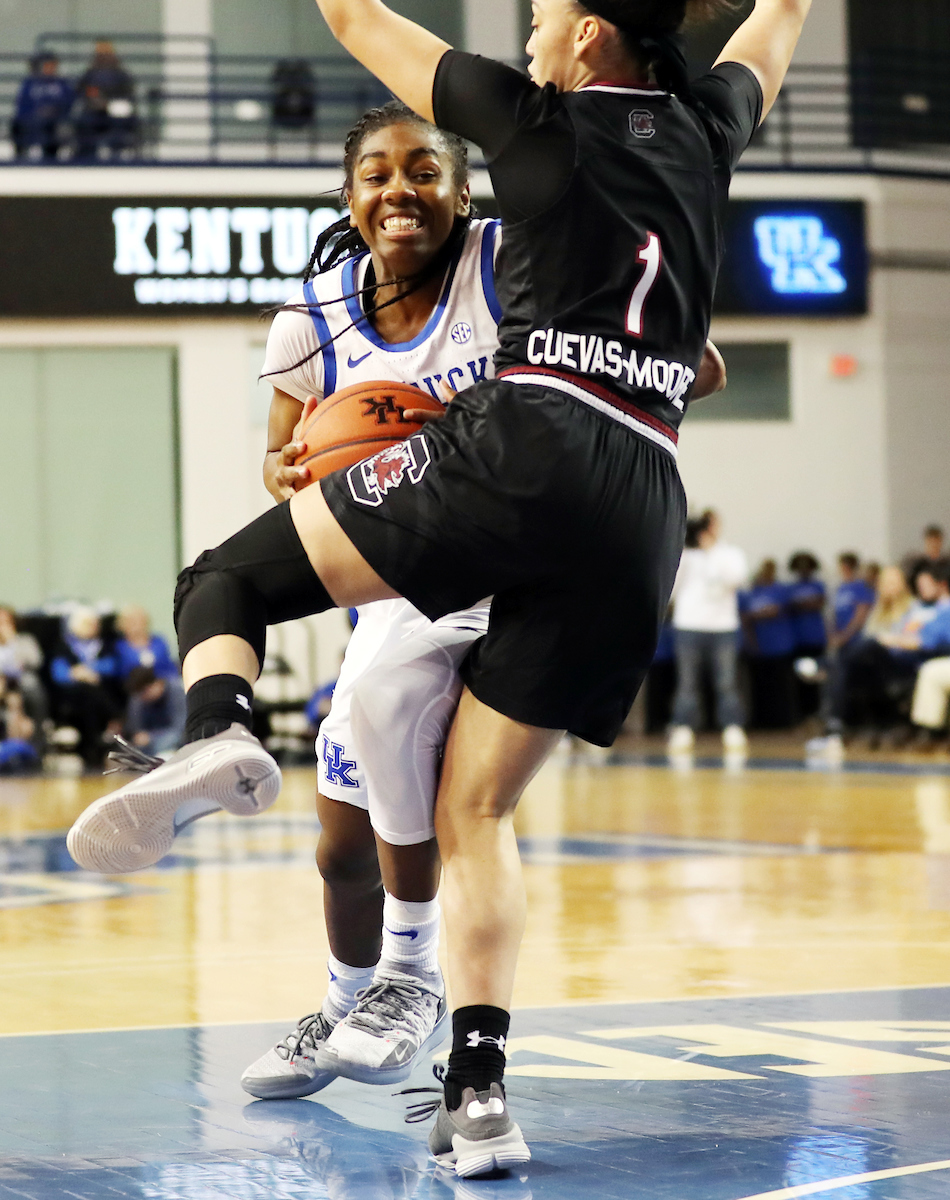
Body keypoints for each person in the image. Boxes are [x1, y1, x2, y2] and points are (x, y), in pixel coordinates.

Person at [68, 0, 810, 1175]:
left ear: (586, 40)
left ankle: (215, 732)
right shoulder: (710, 125)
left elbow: (355, 14)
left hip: (524, 445)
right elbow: (774, 23)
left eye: (540, 17)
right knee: (474, 815)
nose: (523, 32)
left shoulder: (533, 125)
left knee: (226, 582)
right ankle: (477, 1091)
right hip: (642, 495)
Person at [668, 509, 748, 753]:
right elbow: (671, 584)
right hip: (689, 624)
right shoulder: (685, 554)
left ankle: (732, 726)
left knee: (726, 681)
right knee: (687, 682)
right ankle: (683, 726)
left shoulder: (729, 553)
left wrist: (711, 550)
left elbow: (737, 578)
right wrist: (684, 547)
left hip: (722, 627)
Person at [50, 608, 122, 768]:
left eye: (95, 624)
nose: (94, 627)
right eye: (88, 624)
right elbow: (58, 674)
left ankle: (93, 744)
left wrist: (87, 670)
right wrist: (79, 675)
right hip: (72, 696)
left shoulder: (105, 644)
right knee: (86, 691)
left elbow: (112, 667)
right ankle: (114, 717)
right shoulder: (64, 646)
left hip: (102, 693)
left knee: (91, 695)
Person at [740, 558, 796, 729]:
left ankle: (783, 721)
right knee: (760, 687)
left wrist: (754, 615)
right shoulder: (753, 592)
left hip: (780, 646)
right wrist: (752, 642)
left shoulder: (781, 590)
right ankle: (761, 721)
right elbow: (745, 619)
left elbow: (775, 611)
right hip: (759, 647)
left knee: (781, 687)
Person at [74, 41, 136, 162]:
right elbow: (81, 90)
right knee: (85, 122)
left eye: (105, 52)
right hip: (94, 109)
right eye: (100, 52)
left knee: (119, 121)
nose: (103, 55)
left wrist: (109, 102)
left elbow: (127, 93)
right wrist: (94, 100)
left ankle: (116, 155)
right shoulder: (90, 73)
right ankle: (87, 157)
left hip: (115, 110)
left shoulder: (121, 74)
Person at [11, 52, 74, 161]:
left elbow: (68, 103)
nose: (50, 68)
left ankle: (51, 159)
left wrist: (54, 110)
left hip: (54, 120)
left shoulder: (61, 83)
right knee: (17, 125)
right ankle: (20, 156)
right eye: (47, 66)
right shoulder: (30, 83)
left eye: (53, 66)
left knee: (54, 129)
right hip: (33, 119)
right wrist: (36, 112)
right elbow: (22, 105)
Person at [123, 666, 186, 757]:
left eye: (145, 692)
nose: (143, 697)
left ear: (157, 683)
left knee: (170, 741)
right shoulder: (137, 700)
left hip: (173, 739)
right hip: (149, 744)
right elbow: (135, 730)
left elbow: (180, 728)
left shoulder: (176, 692)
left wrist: (152, 737)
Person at [114, 606, 179, 681]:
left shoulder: (159, 641)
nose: (136, 625)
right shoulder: (119, 647)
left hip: (165, 684)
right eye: (131, 621)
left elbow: (169, 667)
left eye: (139, 620)